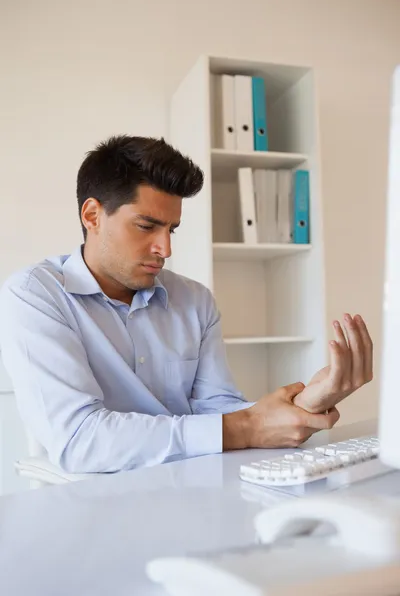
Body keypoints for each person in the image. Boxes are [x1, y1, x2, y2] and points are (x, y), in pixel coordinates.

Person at [0, 136, 373, 473]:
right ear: (92, 216)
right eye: (147, 226)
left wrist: (308, 403)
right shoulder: (34, 295)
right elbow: (80, 440)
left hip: (195, 484)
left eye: (171, 229)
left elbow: (220, 410)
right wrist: (243, 427)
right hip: (98, 502)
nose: (165, 249)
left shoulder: (193, 300)